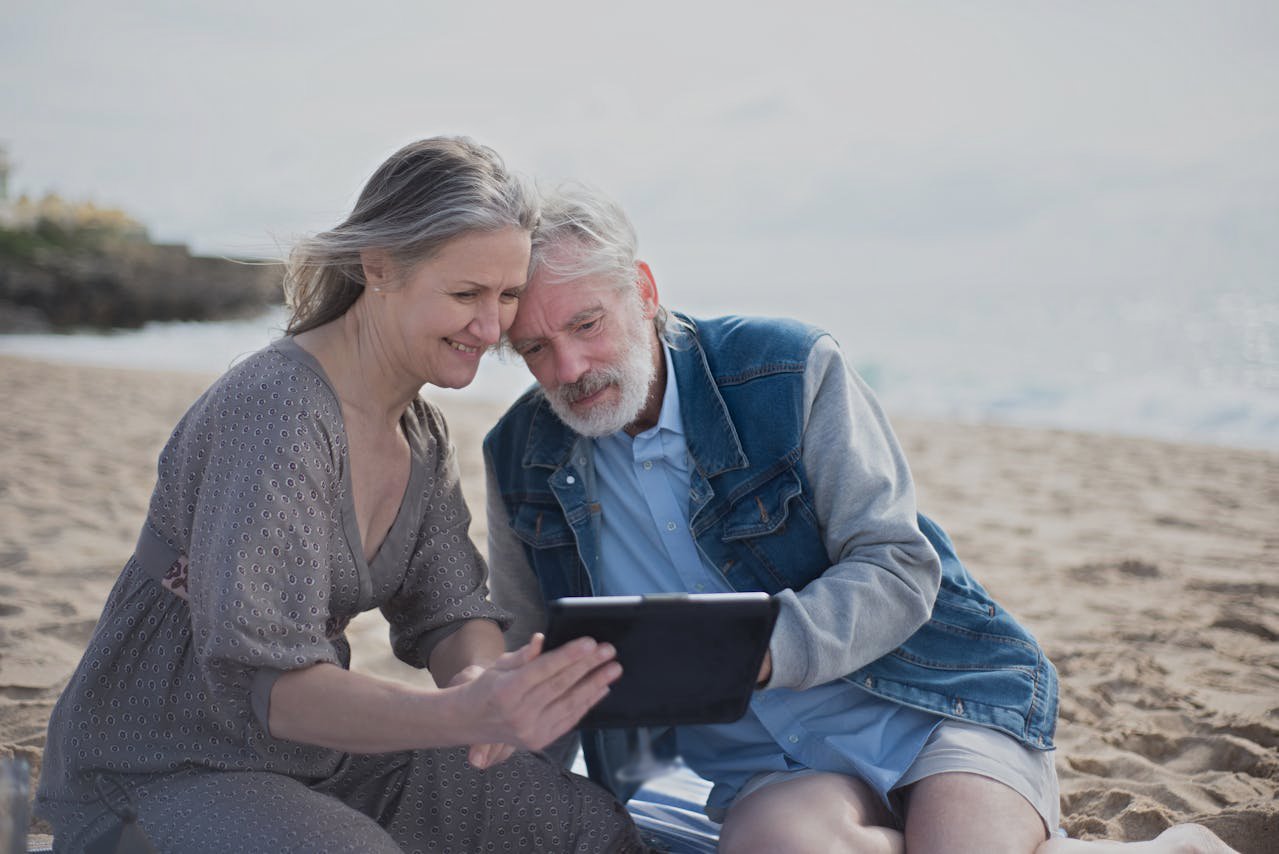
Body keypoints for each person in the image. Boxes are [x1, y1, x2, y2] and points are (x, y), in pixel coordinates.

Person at [482, 184, 1240, 854]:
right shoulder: (519, 452)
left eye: (587, 325)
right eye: (535, 349)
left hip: (932, 703)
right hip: (765, 767)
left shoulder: (784, 368)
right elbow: (526, 645)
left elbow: (898, 564)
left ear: (642, 290)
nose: (569, 370)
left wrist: (757, 652)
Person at [35, 139, 645, 853]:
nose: (491, 329)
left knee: (578, 826)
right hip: (162, 766)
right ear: (378, 266)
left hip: (317, 762)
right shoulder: (277, 411)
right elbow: (275, 687)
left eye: (507, 296)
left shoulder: (420, 431)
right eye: (464, 294)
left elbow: (450, 610)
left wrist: (485, 686)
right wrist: (462, 718)